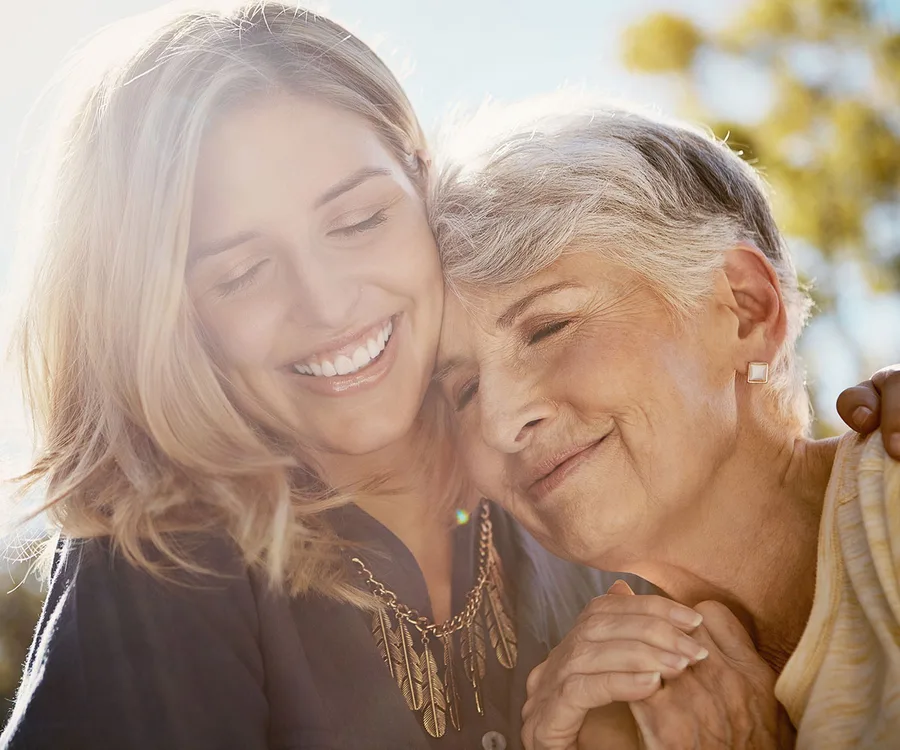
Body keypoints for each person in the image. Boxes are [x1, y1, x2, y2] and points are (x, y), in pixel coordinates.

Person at [1, 4, 893, 749]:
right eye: (239, 273)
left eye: (356, 221)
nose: (328, 303)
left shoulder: (578, 514)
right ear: (171, 316)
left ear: (416, 184)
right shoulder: (166, 556)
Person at [430, 98, 900, 749]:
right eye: (462, 390)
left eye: (548, 328)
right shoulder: (603, 716)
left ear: (744, 308)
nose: (501, 421)